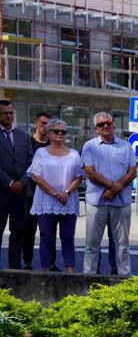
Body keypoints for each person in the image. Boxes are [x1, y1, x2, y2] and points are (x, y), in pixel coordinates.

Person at [81, 112, 136, 276]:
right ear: (96, 128)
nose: (105, 126)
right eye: (101, 124)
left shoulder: (126, 146)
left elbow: (132, 172)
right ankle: (89, 277)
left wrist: (114, 189)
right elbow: (89, 172)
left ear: (114, 124)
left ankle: (124, 278)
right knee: (92, 244)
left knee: (122, 245)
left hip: (121, 202)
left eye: (108, 123)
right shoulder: (89, 146)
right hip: (96, 202)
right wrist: (112, 185)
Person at [28, 118, 83, 272]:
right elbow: (36, 176)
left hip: (68, 201)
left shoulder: (74, 154)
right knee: (46, 238)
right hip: (46, 200)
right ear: (49, 133)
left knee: (68, 238)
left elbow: (79, 176)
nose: (60, 134)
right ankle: (46, 272)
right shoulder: (41, 153)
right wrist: (54, 193)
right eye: (56, 131)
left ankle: (70, 272)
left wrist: (66, 192)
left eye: (63, 132)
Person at [0, 99, 34, 269]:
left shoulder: (23, 136)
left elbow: (31, 162)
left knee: (19, 232)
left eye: (10, 113)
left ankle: (15, 268)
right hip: (1, 192)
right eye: (4, 113)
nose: (8, 116)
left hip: (21, 193)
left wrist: (22, 182)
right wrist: (10, 182)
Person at [22, 111, 51, 269]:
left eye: (48, 124)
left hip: (49, 193)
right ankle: (27, 262)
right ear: (36, 124)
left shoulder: (52, 144)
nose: (46, 126)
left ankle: (50, 263)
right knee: (29, 230)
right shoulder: (28, 142)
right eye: (43, 123)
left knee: (49, 231)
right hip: (31, 193)